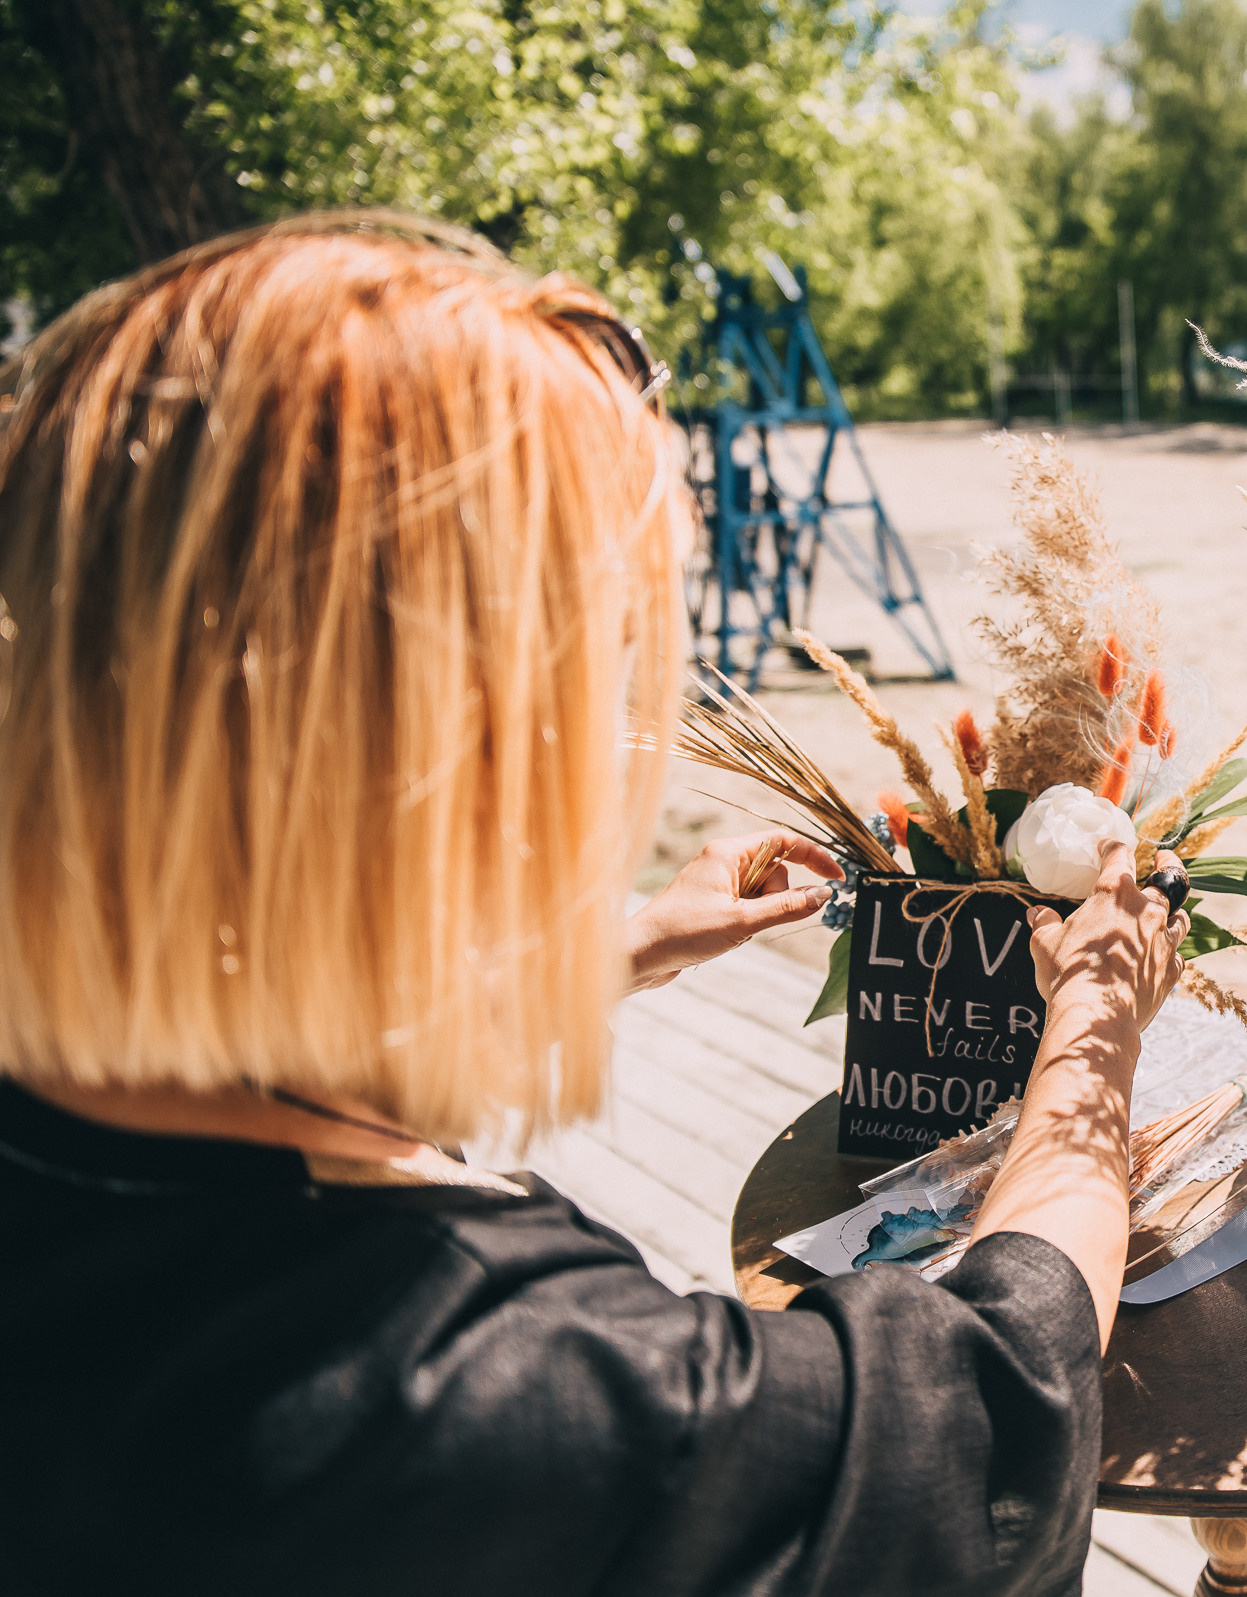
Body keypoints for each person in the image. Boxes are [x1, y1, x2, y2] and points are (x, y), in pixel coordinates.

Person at [0, 212, 1187, 1597]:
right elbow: (989, 1425)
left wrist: (610, 946)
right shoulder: (498, 1390)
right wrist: (1094, 1032)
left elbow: (242, 1054)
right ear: (456, 758)